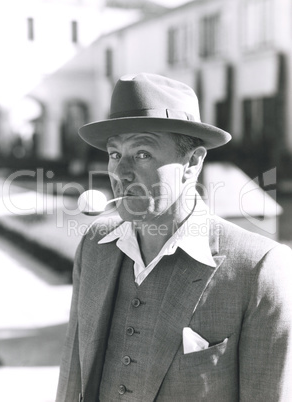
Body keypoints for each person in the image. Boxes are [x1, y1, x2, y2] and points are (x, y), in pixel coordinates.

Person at [56, 73, 292, 402]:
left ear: (192, 162)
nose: (121, 173)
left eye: (141, 154)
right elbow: (72, 381)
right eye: (114, 154)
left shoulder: (258, 269)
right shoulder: (94, 247)